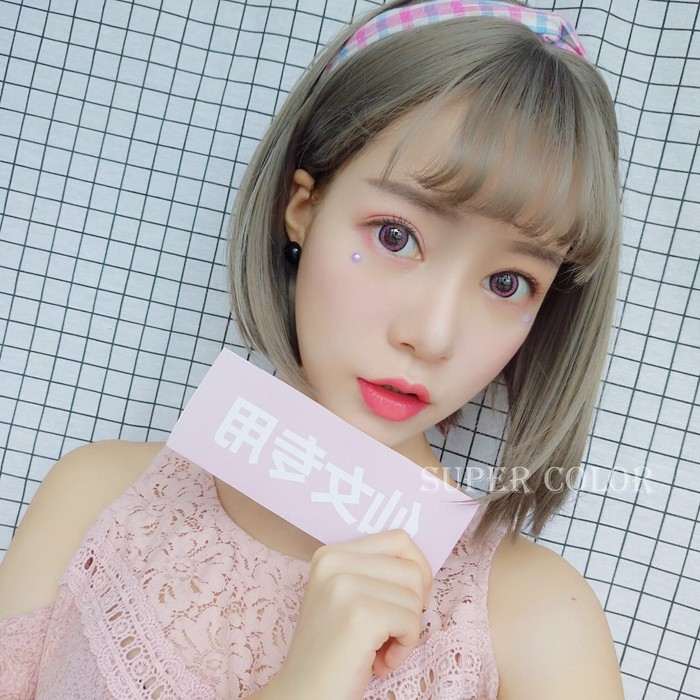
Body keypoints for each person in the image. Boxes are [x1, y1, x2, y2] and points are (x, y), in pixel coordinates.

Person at [0, 1, 625, 697]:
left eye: (508, 282)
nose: (433, 335)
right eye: (395, 236)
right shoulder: (95, 499)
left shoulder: (535, 624)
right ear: (302, 208)